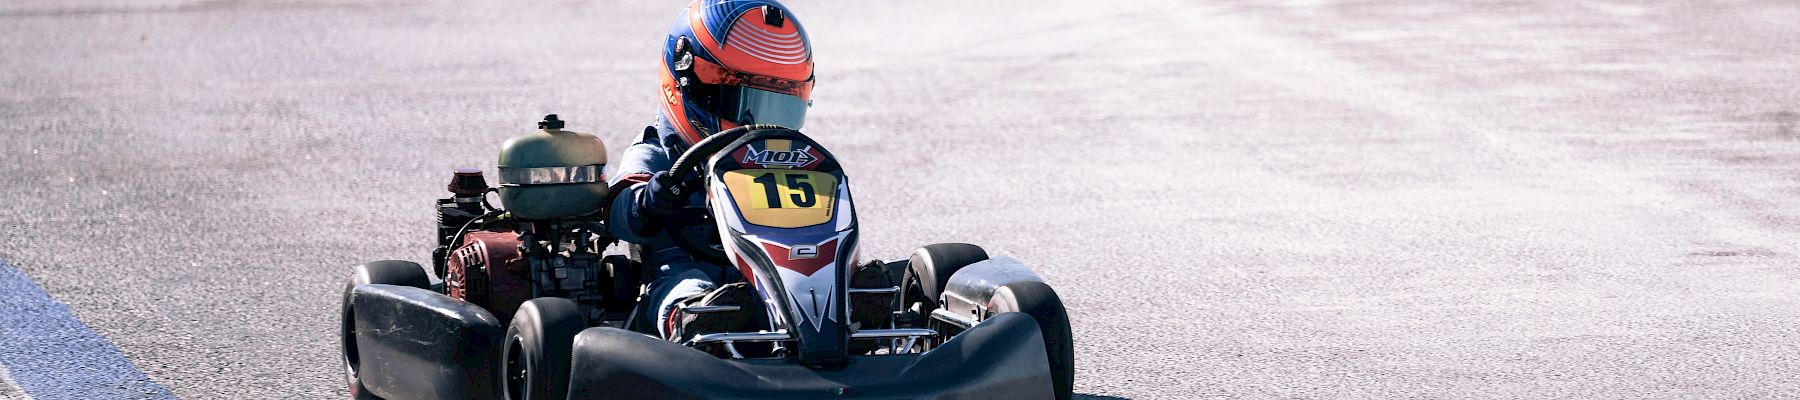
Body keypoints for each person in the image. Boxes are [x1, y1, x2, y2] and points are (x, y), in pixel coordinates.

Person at [606, 0, 815, 340]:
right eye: (745, 106)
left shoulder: (780, 160)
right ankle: (693, 319)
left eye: (780, 110)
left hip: (769, 266)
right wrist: (648, 201)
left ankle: (851, 303)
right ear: (689, 85)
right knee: (683, 283)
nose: (760, 127)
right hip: (684, 260)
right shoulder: (658, 151)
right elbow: (617, 210)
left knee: (811, 274)